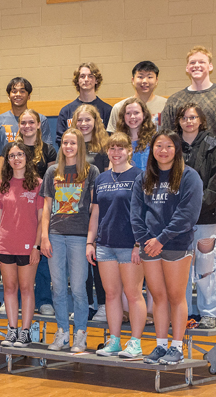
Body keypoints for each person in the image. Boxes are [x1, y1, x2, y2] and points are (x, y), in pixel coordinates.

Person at [160, 46, 216, 297]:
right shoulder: (174, 101)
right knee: (180, 225)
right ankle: (185, 279)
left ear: (210, 66)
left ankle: (213, 278)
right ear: (187, 68)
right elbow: (164, 137)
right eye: (192, 63)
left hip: (214, 173)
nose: (197, 66)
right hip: (180, 173)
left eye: (202, 62)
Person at [132, 130, 203, 365]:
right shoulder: (143, 179)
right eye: (159, 146)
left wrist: (161, 239)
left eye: (169, 146)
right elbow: (136, 215)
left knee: (175, 296)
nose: (163, 150)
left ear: (177, 149)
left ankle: (177, 346)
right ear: (152, 150)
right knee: (158, 297)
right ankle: (161, 345)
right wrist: (145, 241)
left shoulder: (189, 176)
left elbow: (187, 215)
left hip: (176, 245)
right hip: (149, 246)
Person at [86, 133, 146, 357]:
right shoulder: (101, 179)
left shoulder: (139, 176)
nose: (116, 152)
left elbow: (144, 213)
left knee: (133, 294)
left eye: (121, 148)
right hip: (105, 245)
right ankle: (115, 341)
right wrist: (90, 242)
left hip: (130, 244)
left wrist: (139, 243)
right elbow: (96, 213)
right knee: (111, 295)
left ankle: (136, 342)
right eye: (112, 148)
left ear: (129, 151)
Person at [41, 129, 100, 353]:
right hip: (55, 235)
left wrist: (90, 241)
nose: (68, 146)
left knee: (78, 289)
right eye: (65, 142)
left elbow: (95, 208)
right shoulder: (52, 172)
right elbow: (46, 207)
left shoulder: (91, 171)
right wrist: (44, 237)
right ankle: (62, 332)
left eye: (72, 143)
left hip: (79, 237)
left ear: (79, 146)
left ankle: (80, 334)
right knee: (58, 289)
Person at [174, 103, 216, 329]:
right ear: (179, 120)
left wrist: (194, 208)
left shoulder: (214, 145)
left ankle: (208, 313)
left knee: (206, 267)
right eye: (184, 117)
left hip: (207, 216)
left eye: (193, 117)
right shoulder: (171, 144)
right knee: (180, 269)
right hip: (176, 220)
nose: (188, 121)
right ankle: (180, 313)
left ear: (200, 120)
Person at [0, 143, 43, 348]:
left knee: (26, 288)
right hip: (5, 244)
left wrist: (36, 246)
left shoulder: (37, 184)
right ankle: (12, 330)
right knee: (9, 287)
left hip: (28, 245)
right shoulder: (2, 184)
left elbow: (41, 218)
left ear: (27, 158)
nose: (16, 158)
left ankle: (25, 331)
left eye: (20, 154)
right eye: (11, 155)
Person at [10, 109, 57, 316]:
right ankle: (18, 300)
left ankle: (45, 299)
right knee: (18, 256)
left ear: (39, 125)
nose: (27, 126)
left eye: (31, 122)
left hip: (41, 207)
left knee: (42, 255)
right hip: (18, 209)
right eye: (23, 122)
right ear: (19, 125)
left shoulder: (49, 151)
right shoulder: (12, 148)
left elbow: (54, 180)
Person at [73, 103, 110, 318]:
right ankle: (85, 304)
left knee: (98, 258)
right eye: (80, 120)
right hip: (76, 212)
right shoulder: (72, 146)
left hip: (99, 211)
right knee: (81, 261)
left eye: (88, 119)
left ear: (96, 122)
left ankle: (104, 304)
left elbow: (106, 179)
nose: (84, 124)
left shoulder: (105, 147)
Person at [0, 77, 52, 167]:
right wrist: (5, 171)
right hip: (6, 174)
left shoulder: (40, 120)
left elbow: (47, 150)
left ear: (29, 96)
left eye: (22, 91)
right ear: (8, 96)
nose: (18, 94)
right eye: (14, 91)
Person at [107, 61, 166, 132]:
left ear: (156, 80)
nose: (144, 81)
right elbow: (113, 137)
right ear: (133, 80)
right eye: (140, 77)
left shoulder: (166, 105)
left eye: (149, 77)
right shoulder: (119, 107)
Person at [56, 63, 113, 137]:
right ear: (77, 81)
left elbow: (110, 139)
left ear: (96, 80)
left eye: (90, 76)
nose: (86, 79)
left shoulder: (107, 110)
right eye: (82, 76)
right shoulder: (66, 111)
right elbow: (61, 139)